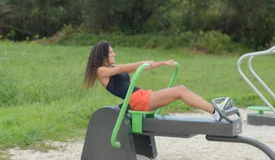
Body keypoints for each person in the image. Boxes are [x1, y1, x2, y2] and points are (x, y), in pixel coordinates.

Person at [83, 41, 231, 120]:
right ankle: (215, 111)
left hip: (140, 97)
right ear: (102, 55)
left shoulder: (112, 67)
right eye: (110, 52)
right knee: (180, 90)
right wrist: (142, 62)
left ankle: (215, 110)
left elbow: (131, 68)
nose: (113, 53)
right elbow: (125, 69)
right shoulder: (101, 71)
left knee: (181, 89)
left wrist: (162, 63)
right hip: (138, 101)